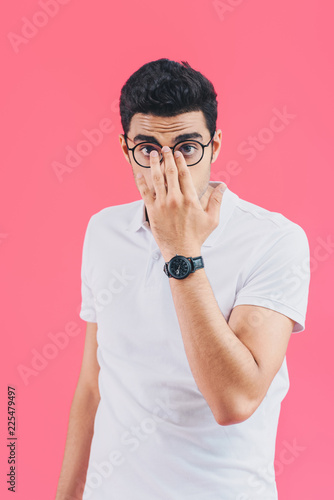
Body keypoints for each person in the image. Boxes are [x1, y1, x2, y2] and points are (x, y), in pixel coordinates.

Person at [55, 58, 310, 500]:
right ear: (125, 148)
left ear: (215, 148)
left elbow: (235, 401)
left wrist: (180, 250)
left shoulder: (274, 240)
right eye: (149, 149)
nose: (167, 168)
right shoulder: (103, 231)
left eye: (187, 148)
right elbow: (94, 384)